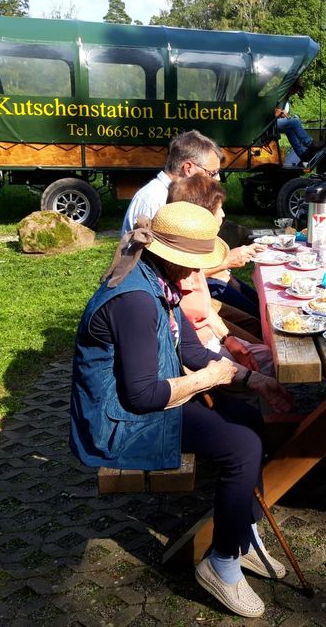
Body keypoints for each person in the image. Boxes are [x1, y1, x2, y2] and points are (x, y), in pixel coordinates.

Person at [71, 201, 293, 619]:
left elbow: (188, 348)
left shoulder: (157, 278)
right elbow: (143, 397)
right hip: (119, 418)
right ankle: (221, 563)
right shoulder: (135, 299)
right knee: (242, 446)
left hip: (151, 396)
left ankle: (240, 536)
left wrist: (252, 379)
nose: (198, 275)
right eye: (192, 265)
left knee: (247, 417)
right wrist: (209, 380)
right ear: (169, 257)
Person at [121, 130, 264, 321]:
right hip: (173, 301)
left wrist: (223, 268)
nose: (218, 179)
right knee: (257, 318)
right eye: (212, 173)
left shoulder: (172, 194)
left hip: (195, 284)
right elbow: (171, 277)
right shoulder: (157, 203)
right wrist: (226, 261)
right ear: (188, 168)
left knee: (259, 304)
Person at [167, 174, 275, 393]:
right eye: (219, 209)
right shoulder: (179, 268)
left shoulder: (191, 255)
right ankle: (264, 411)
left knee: (266, 346)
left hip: (210, 336)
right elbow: (190, 341)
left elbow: (205, 309)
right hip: (199, 351)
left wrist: (229, 339)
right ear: (204, 215)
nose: (224, 214)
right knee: (271, 360)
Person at [275, 82, 320, 165]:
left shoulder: (286, 97)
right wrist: (281, 113)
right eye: (296, 89)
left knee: (291, 126)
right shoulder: (280, 95)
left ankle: (302, 154)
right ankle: (310, 143)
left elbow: (281, 113)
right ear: (291, 87)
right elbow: (275, 112)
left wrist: (285, 115)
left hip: (275, 122)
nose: (296, 92)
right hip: (270, 124)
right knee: (294, 122)